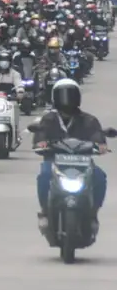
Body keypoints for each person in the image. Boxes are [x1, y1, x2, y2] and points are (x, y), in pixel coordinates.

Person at [31, 79, 108, 230]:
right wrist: (41, 143)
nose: (67, 99)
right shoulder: (49, 119)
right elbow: (40, 135)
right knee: (44, 175)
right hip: (55, 161)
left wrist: (100, 145)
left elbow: (97, 136)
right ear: (55, 97)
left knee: (100, 176)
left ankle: (93, 213)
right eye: (63, 95)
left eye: (70, 95)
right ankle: (45, 211)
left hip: (83, 162)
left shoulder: (88, 120)